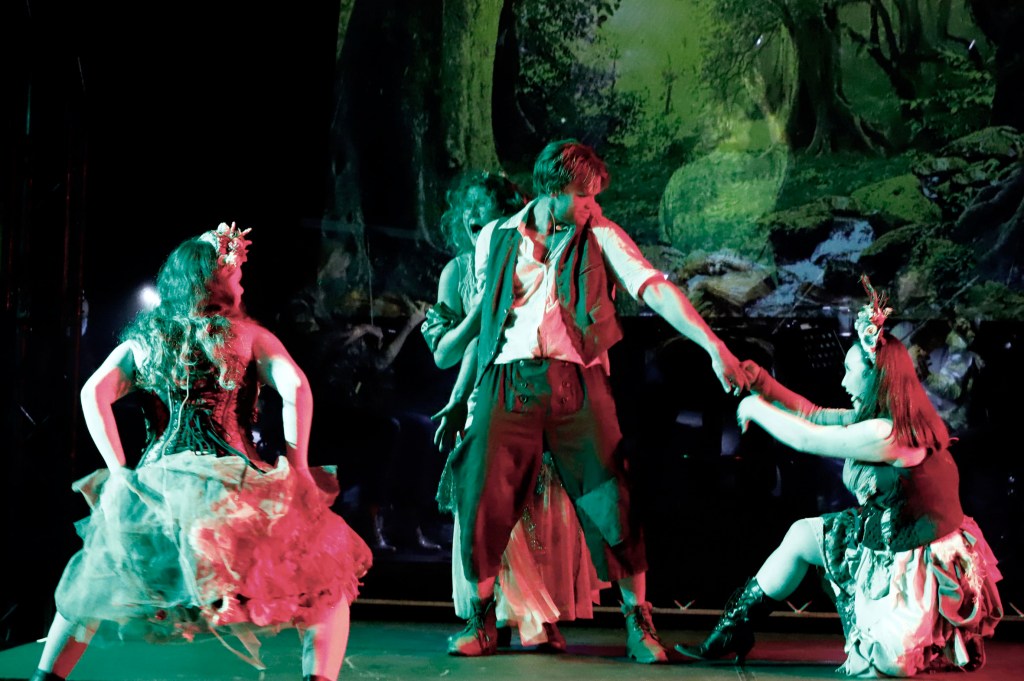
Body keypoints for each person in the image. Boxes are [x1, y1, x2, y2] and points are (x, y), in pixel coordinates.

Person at [433, 140, 748, 663]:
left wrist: (714, 347)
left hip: (576, 380)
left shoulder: (601, 233)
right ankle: (481, 620)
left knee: (610, 496)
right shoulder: (496, 237)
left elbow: (653, 288)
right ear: (551, 191)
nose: (592, 205)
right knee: (482, 491)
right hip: (507, 378)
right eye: (583, 196)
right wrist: (462, 391)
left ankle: (638, 622)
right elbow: (486, 320)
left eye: (594, 196)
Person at [30, 223, 372, 681]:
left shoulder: (145, 341)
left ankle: (46, 676)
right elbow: (296, 388)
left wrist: (119, 471)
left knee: (96, 580)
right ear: (213, 283)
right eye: (235, 276)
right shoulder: (249, 337)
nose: (241, 284)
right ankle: (320, 677)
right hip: (235, 482)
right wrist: (298, 466)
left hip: (158, 487)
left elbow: (93, 394)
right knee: (323, 582)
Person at [677, 277, 1003, 676]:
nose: (844, 382)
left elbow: (808, 438)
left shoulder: (890, 434)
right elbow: (812, 414)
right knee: (801, 536)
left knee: (889, 662)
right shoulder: (880, 418)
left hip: (913, 564)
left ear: (878, 375)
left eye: (851, 371)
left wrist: (756, 409)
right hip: (889, 534)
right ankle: (732, 631)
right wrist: (762, 383)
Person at [422, 170, 609, 651]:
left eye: (488, 213)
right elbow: (451, 351)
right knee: (487, 505)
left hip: (530, 395)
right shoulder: (458, 273)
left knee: (536, 509)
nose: (477, 220)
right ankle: (492, 616)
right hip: (484, 398)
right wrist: (460, 393)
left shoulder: (535, 260)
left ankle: (536, 615)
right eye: (471, 213)